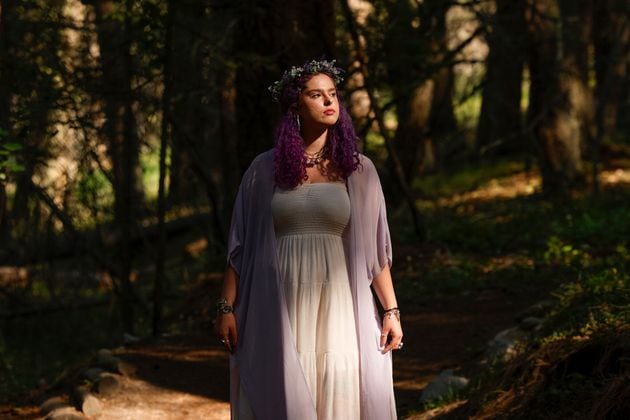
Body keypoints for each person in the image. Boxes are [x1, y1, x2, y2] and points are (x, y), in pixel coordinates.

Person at [214, 59, 403, 420]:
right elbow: (241, 249)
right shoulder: (263, 170)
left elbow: (374, 253)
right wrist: (226, 307)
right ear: (295, 106)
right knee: (283, 382)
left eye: (333, 94)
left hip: (339, 304)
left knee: (337, 379)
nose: (329, 102)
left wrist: (391, 311)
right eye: (316, 95)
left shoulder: (358, 171)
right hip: (279, 298)